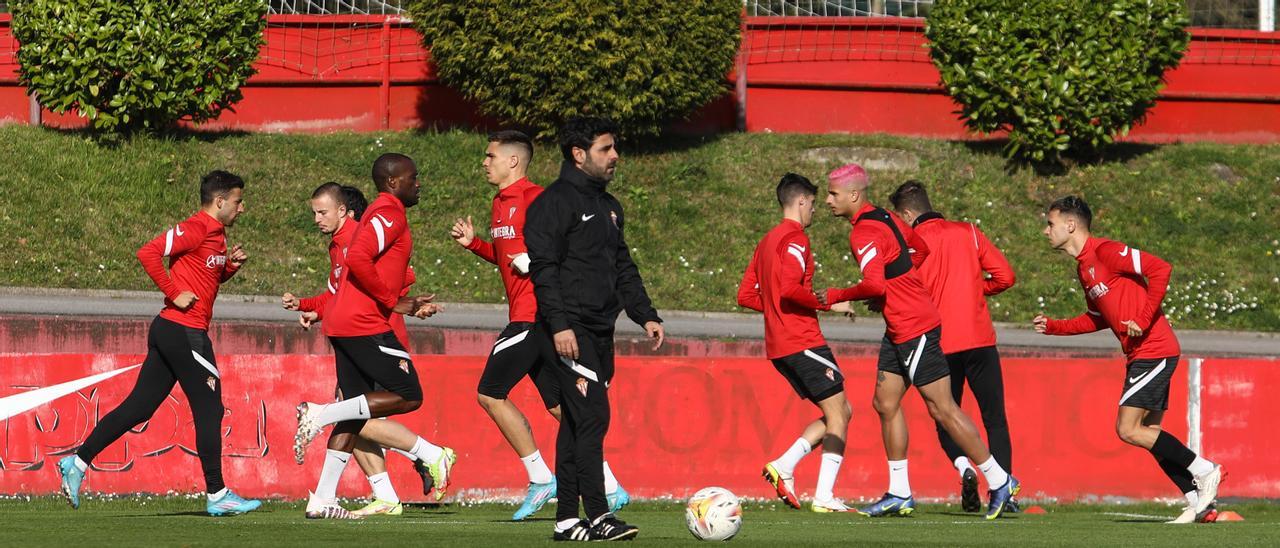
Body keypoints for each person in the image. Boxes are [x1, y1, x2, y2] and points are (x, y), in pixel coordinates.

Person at [818, 164, 1019, 520]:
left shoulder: (864, 231)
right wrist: (900, 284)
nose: (828, 200)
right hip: (900, 326)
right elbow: (919, 250)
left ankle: (1000, 480)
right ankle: (899, 492)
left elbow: (875, 284)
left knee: (943, 409)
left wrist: (835, 295)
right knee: (885, 402)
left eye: (832, 194)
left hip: (914, 327)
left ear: (853, 195)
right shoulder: (885, 217)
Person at [57, 171, 261, 516]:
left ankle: (77, 463)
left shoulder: (218, 234)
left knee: (139, 408)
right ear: (220, 201)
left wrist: (230, 268)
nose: (242, 208)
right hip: (183, 331)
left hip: (173, 331)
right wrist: (173, 293)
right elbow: (148, 252)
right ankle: (217, 494)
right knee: (210, 409)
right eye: (238, 202)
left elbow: (207, 275)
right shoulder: (195, 227)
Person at [450, 130, 628, 521]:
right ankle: (610, 487)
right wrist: (476, 245)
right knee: (561, 407)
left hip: (534, 317)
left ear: (513, 161)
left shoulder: (538, 199)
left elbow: (567, 252)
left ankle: (539, 477)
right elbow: (507, 257)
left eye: (490, 155)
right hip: (530, 318)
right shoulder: (500, 202)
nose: (485, 162)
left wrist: (534, 263)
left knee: (489, 393)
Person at [1033, 195, 1224, 524]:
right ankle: (1198, 502)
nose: (1045, 231)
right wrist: (1054, 327)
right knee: (1148, 431)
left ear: (1070, 224)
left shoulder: (1106, 251)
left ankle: (1204, 470)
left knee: (1127, 429)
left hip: (1155, 348)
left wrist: (1144, 317)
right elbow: (1097, 318)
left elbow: (1160, 269)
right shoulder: (1084, 268)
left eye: (1050, 224)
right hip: (1142, 353)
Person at [524, 117, 663, 542]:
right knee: (593, 418)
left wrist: (645, 314)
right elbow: (544, 270)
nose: (615, 156)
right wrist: (560, 325)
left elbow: (622, 266)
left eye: (614, 148)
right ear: (579, 155)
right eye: (606, 149)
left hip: (601, 332)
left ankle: (567, 521)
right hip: (570, 331)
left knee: (575, 427)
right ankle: (599, 516)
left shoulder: (609, 206)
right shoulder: (554, 203)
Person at [293, 153, 454, 520]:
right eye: (413, 178)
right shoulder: (389, 211)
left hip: (347, 323)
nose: (419, 184)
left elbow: (377, 268)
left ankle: (322, 498)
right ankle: (321, 414)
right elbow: (360, 259)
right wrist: (393, 301)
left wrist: (403, 299)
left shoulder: (376, 217)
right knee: (409, 395)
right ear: (394, 182)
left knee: (354, 414)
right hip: (364, 323)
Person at [888, 180, 1016, 513]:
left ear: (906, 214)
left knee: (945, 415)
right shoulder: (969, 232)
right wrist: (976, 289)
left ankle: (964, 467)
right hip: (979, 340)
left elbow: (902, 288)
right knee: (995, 419)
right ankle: (1004, 493)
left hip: (938, 341)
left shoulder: (910, 244)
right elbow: (1005, 276)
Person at [738, 173, 855, 513]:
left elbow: (746, 295)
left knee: (841, 412)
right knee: (839, 414)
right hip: (802, 339)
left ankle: (785, 466)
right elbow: (789, 289)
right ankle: (824, 496)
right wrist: (829, 303)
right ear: (801, 201)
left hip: (779, 345)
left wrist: (775, 308)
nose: (815, 211)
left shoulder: (766, 242)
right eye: (814, 204)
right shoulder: (795, 239)